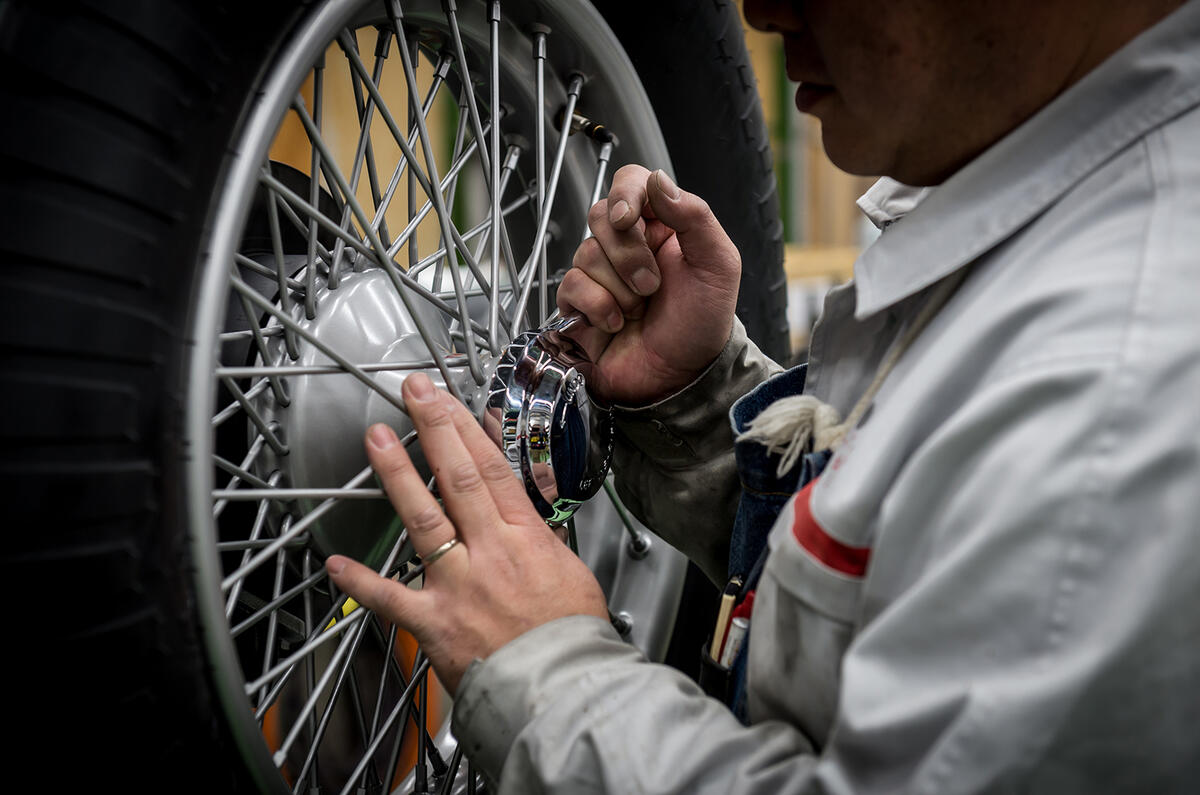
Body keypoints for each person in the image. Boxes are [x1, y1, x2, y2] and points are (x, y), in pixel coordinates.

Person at [326, 0, 1200, 790]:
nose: (763, 9)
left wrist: (544, 674)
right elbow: (911, 579)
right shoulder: (1045, 214)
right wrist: (697, 411)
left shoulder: (1126, 397)